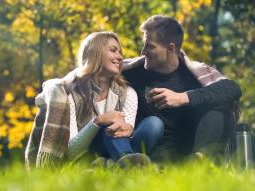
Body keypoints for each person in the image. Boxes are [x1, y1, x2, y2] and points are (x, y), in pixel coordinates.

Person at [25, 31, 163, 168]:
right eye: (113, 50)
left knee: (154, 123)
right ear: (95, 53)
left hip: (120, 145)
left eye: (120, 52)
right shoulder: (69, 94)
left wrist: (129, 129)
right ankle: (126, 163)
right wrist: (97, 122)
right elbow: (71, 152)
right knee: (108, 123)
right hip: (87, 154)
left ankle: (115, 164)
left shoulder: (128, 92)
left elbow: (126, 130)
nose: (120, 57)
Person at [122, 15, 242, 162]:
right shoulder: (132, 74)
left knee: (221, 111)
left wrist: (184, 97)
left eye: (150, 46)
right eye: (144, 44)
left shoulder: (195, 75)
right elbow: (95, 72)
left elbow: (232, 88)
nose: (143, 52)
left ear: (170, 49)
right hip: (154, 153)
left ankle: (199, 162)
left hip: (190, 149)